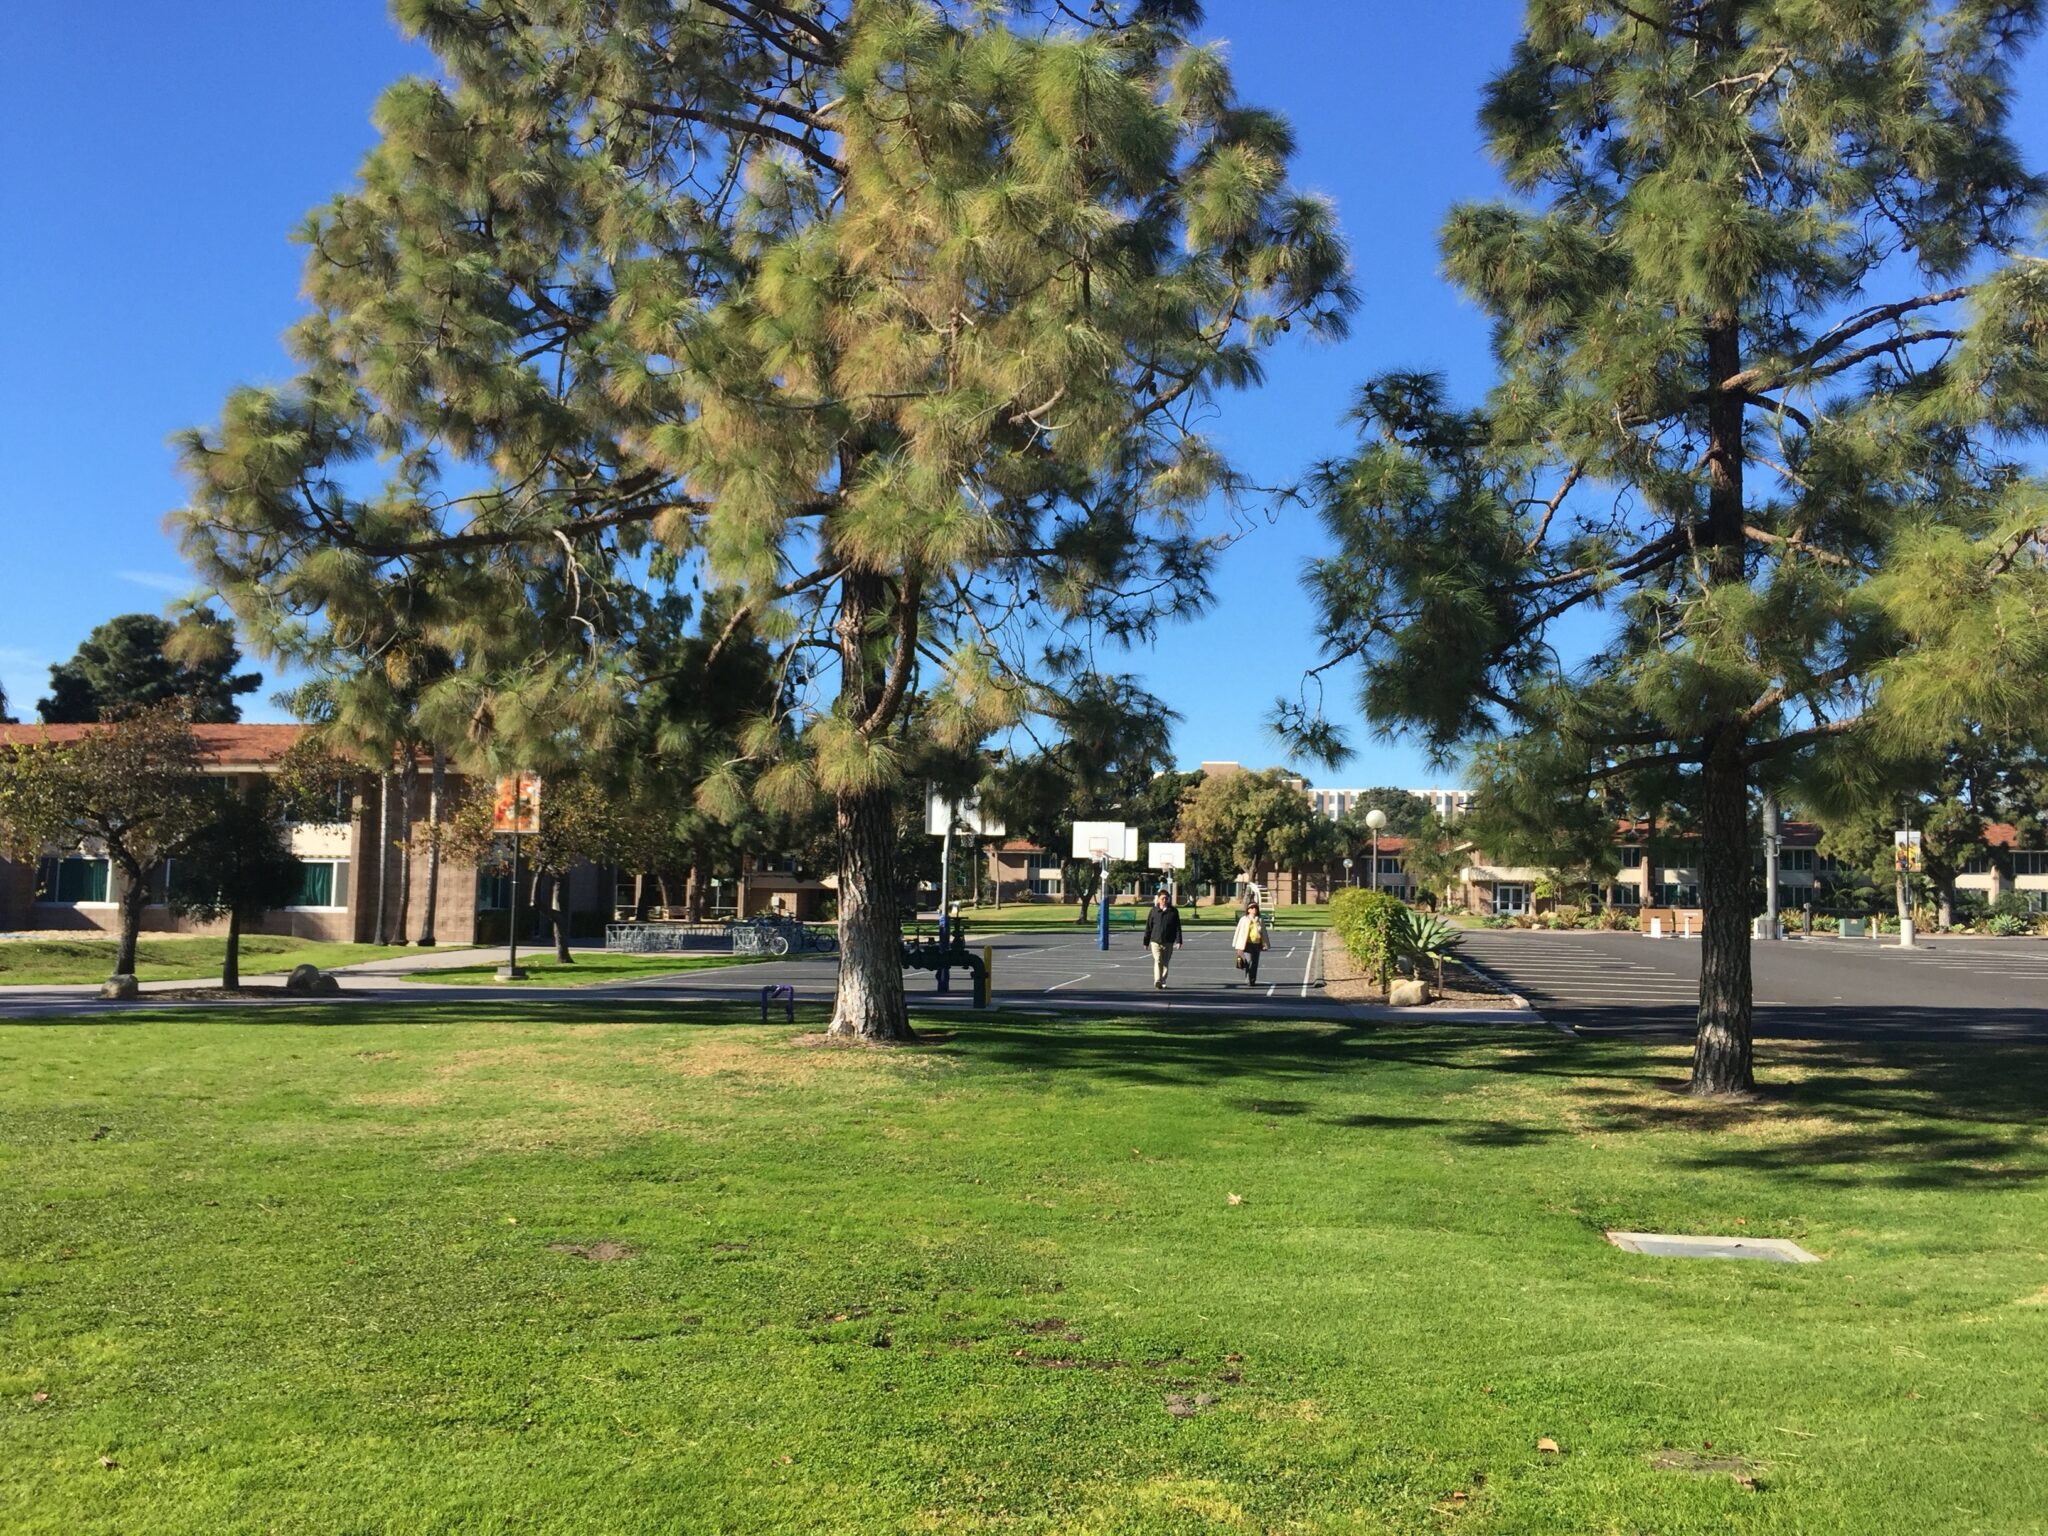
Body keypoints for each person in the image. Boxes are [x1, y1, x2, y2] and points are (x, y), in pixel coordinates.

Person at [1143, 888, 1184, 989]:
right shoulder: (1153, 911)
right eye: (1162, 898)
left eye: (1166, 898)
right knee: (1158, 960)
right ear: (1158, 899)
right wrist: (1146, 942)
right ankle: (1157, 980)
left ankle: (1163, 979)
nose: (1164, 900)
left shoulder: (1173, 911)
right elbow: (1148, 927)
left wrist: (1179, 941)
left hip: (1168, 941)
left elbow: (1177, 927)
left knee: (1165, 962)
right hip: (1155, 941)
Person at [1231, 897, 1268, 985]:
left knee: (1255, 962)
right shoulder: (1244, 919)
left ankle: (1252, 979)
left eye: (1255, 908)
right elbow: (1239, 932)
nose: (1254, 909)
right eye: (1252, 908)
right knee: (1249, 961)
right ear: (1248, 910)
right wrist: (1238, 946)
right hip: (1247, 944)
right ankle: (1248, 978)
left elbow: (1264, 933)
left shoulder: (1260, 920)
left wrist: (1265, 944)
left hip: (1257, 944)